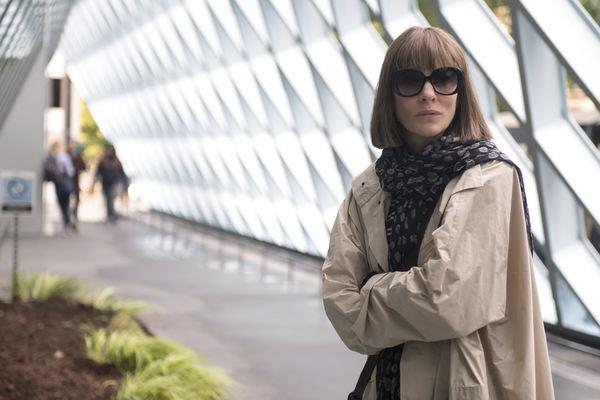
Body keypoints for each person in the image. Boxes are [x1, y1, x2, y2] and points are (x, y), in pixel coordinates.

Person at [321, 27, 554, 400]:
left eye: (444, 78)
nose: (428, 93)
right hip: (385, 386)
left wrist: (371, 287)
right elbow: (339, 300)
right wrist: (412, 294)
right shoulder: (370, 186)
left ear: (461, 91)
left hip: (462, 384)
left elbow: (448, 300)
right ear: (390, 95)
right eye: (410, 81)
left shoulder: (488, 177)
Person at [43, 141, 77, 232]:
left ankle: (67, 221)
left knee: (61, 203)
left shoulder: (50, 156)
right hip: (64, 181)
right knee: (66, 202)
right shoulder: (63, 156)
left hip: (57, 182)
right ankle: (68, 221)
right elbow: (70, 171)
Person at [92, 143, 128, 223]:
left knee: (111, 199)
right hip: (105, 183)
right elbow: (98, 173)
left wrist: (124, 185)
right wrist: (94, 183)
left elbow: (122, 174)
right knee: (107, 199)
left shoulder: (117, 162)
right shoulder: (102, 161)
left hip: (114, 183)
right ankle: (110, 215)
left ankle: (112, 215)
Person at [68, 141, 86, 221]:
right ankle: (70, 213)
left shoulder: (78, 156)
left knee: (76, 198)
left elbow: (83, 167)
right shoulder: (67, 156)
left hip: (75, 181)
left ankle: (74, 213)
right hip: (68, 180)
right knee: (69, 198)